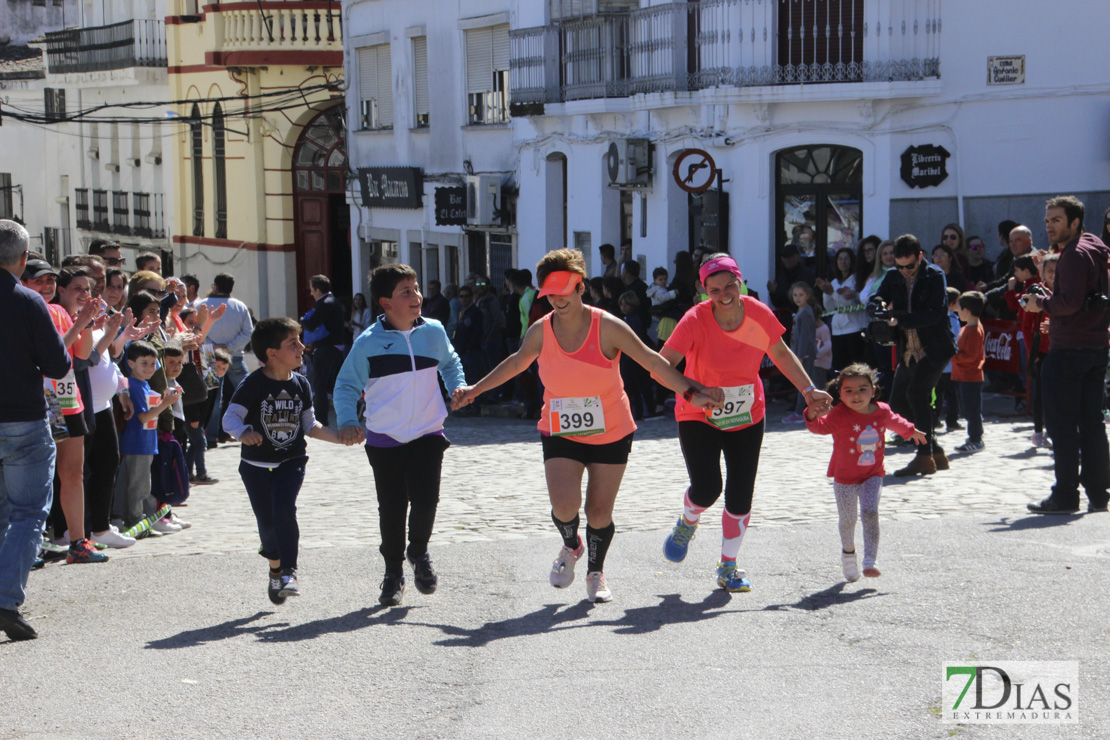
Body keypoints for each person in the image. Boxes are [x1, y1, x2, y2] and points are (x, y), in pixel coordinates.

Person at [452, 249, 722, 603]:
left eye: (564, 291)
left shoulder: (607, 326)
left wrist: (692, 391)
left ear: (580, 288)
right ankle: (570, 545)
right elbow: (516, 363)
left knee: (598, 511)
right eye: (550, 293)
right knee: (565, 506)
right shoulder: (541, 331)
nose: (557, 300)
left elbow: (653, 363)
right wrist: (475, 390)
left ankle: (596, 572)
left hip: (610, 429)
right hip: (561, 429)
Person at [659, 253, 831, 592]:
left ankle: (728, 566)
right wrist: (694, 393)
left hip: (747, 414)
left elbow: (780, 353)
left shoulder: (758, 313)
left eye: (730, 286)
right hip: (698, 413)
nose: (724, 295)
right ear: (703, 290)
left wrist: (808, 389)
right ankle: (688, 520)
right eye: (714, 290)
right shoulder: (694, 319)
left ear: (741, 283)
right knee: (708, 488)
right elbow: (661, 364)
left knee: (740, 495)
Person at [334, 264, 466, 606]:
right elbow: (346, 385)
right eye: (405, 292)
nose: (416, 297)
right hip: (385, 439)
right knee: (392, 508)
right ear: (385, 303)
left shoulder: (434, 332)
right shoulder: (367, 344)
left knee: (426, 502)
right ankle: (393, 573)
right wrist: (348, 420)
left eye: (416, 288)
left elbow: (450, 363)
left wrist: (457, 386)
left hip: (427, 432)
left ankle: (418, 552)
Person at [223, 318, 351, 603]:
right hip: (255, 466)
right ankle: (275, 569)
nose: (302, 348)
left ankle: (289, 572)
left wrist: (339, 436)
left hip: (291, 461)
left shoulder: (301, 385)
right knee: (267, 524)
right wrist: (243, 432)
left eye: (300, 341)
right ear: (272, 353)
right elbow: (229, 418)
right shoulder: (253, 384)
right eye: (293, 343)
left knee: (284, 510)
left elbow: (310, 425)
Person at [0, 221, 75, 640]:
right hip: (22, 418)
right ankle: (6, 598)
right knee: (28, 513)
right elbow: (58, 365)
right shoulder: (28, 301)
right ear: (22, 258)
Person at [1022, 196, 1110, 515]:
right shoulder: (1095, 246)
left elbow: (1070, 303)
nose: (1049, 225)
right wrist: (1051, 298)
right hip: (1095, 345)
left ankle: (1065, 494)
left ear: (1074, 222)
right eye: (1047, 220)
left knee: (1061, 426)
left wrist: (1041, 304)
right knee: (1092, 423)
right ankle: (1099, 494)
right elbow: (1083, 299)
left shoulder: (1074, 254)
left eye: (1056, 219)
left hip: (1069, 349)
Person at [804, 364, 926, 582]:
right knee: (848, 520)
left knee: (870, 512)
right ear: (839, 394)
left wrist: (910, 431)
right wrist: (812, 415)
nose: (856, 395)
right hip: (844, 478)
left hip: (872, 474)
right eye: (848, 391)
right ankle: (848, 554)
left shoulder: (881, 411)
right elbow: (820, 428)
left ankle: (870, 560)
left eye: (862, 389)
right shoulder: (840, 414)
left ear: (873, 390)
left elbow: (896, 421)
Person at [868, 234, 957, 477]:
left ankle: (924, 456)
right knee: (897, 403)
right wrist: (875, 303)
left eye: (909, 266)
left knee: (917, 394)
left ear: (920, 257)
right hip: (908, 348)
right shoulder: (893, 275)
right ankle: (934, 449)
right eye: (899, 266)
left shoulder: (934, 275)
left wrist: (899, 318)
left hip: (934, 348)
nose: (904, 271)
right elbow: (880, 295)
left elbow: (935, 314)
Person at [116, 340, 182, 533]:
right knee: (139, 486)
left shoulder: (142, 384)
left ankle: (137, 518)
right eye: (144, 363)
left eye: (153, 364)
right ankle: (137, 521)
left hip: (143, 443)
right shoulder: (135, 386)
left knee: (137, 483)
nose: (149, 368)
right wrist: (164, 403)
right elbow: (143, 416)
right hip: (137, 443)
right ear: (130, 363)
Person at [197, 273, 253, 443]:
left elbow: (196, 330)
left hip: (208, 353)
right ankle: (251, 428)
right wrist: (229, 346)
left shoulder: (202, 305)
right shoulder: (240, 306)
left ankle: (212, 436)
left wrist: (212, 345)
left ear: (215, 286)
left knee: (213, 398)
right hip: (234, 355)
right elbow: (248, 332)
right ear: (231, 288)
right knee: (249, 392)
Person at [301, 275, 347, 428]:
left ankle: (321, 420)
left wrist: (302, 321)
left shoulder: (324, 303)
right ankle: (348, 413)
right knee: (334, 384)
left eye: (312, 290)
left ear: (318, 290)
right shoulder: (335, 302)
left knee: (319, 385)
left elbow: (311, 324)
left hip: (325, 349)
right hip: (337, 349)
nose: (311, 294)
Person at [816, 247, 868, 371]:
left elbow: (848, 303)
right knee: (840, 367)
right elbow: (829, 308)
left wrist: (832, 293)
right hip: (837, 331)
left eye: (846, 259)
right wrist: (826, 292)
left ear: (852, 261)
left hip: (854, 328)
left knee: (856, 367)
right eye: (840, 259)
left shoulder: (856, 280)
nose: (843, 262)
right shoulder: (834, 282)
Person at [1027, 254, 1057, 448]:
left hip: (1063, 350)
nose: (1054, 275)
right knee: (1041, 394)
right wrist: (1033, 352)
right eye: (1050, 271)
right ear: (1043, 273)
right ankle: (1038, 431)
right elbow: (1026, 326)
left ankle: (1054, 431)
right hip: (1043, 352)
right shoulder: (1037, 293)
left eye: (1058, 271)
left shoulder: (1069, 292)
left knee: (1059, 394)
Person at [951, 291, 987, 454]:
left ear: (967, 310)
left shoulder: (974, 331)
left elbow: (971, 357)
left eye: (959, 309)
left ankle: (976, 439)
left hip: (970, 377)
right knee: (967, 409)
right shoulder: (967, 328)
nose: (958, 312)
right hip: (962, 375)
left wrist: (952, 356)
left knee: (972, 410)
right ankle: (973, 437)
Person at [783, 281, 822, 423]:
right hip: (801, 353)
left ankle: (800, 412)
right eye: (795, 295)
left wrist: (800, 355)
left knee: (804, 384)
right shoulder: (802, 311)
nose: (797, 298)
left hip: (804, 354)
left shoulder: (806, 313)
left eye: (801, 295)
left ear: (808, 296)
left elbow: (806, 337)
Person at [767, 243, 817, 312]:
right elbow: (777, 303)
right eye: (784, 257)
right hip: (785, 317)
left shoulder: (806, 275)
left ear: (797, 257)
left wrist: (776, 290)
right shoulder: (782, 276)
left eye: (790, 256)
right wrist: (772, 293)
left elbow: (800, 298)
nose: (787, 259)